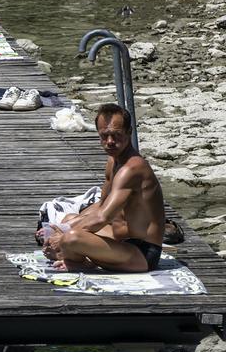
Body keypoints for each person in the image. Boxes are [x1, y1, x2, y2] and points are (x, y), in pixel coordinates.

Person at [44, 105, 168, 272]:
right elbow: (101, 205)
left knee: (71, 238)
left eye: (116, 135)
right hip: (119, 241)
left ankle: (78, 259)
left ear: (129, 132)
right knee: (68, 220)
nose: (110, 141)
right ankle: (77, 256)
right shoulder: (113, 162)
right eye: (104, 135)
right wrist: (64, 228)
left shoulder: (132, 169)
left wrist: (63, 237)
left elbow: (103, 217)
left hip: (142, 253)